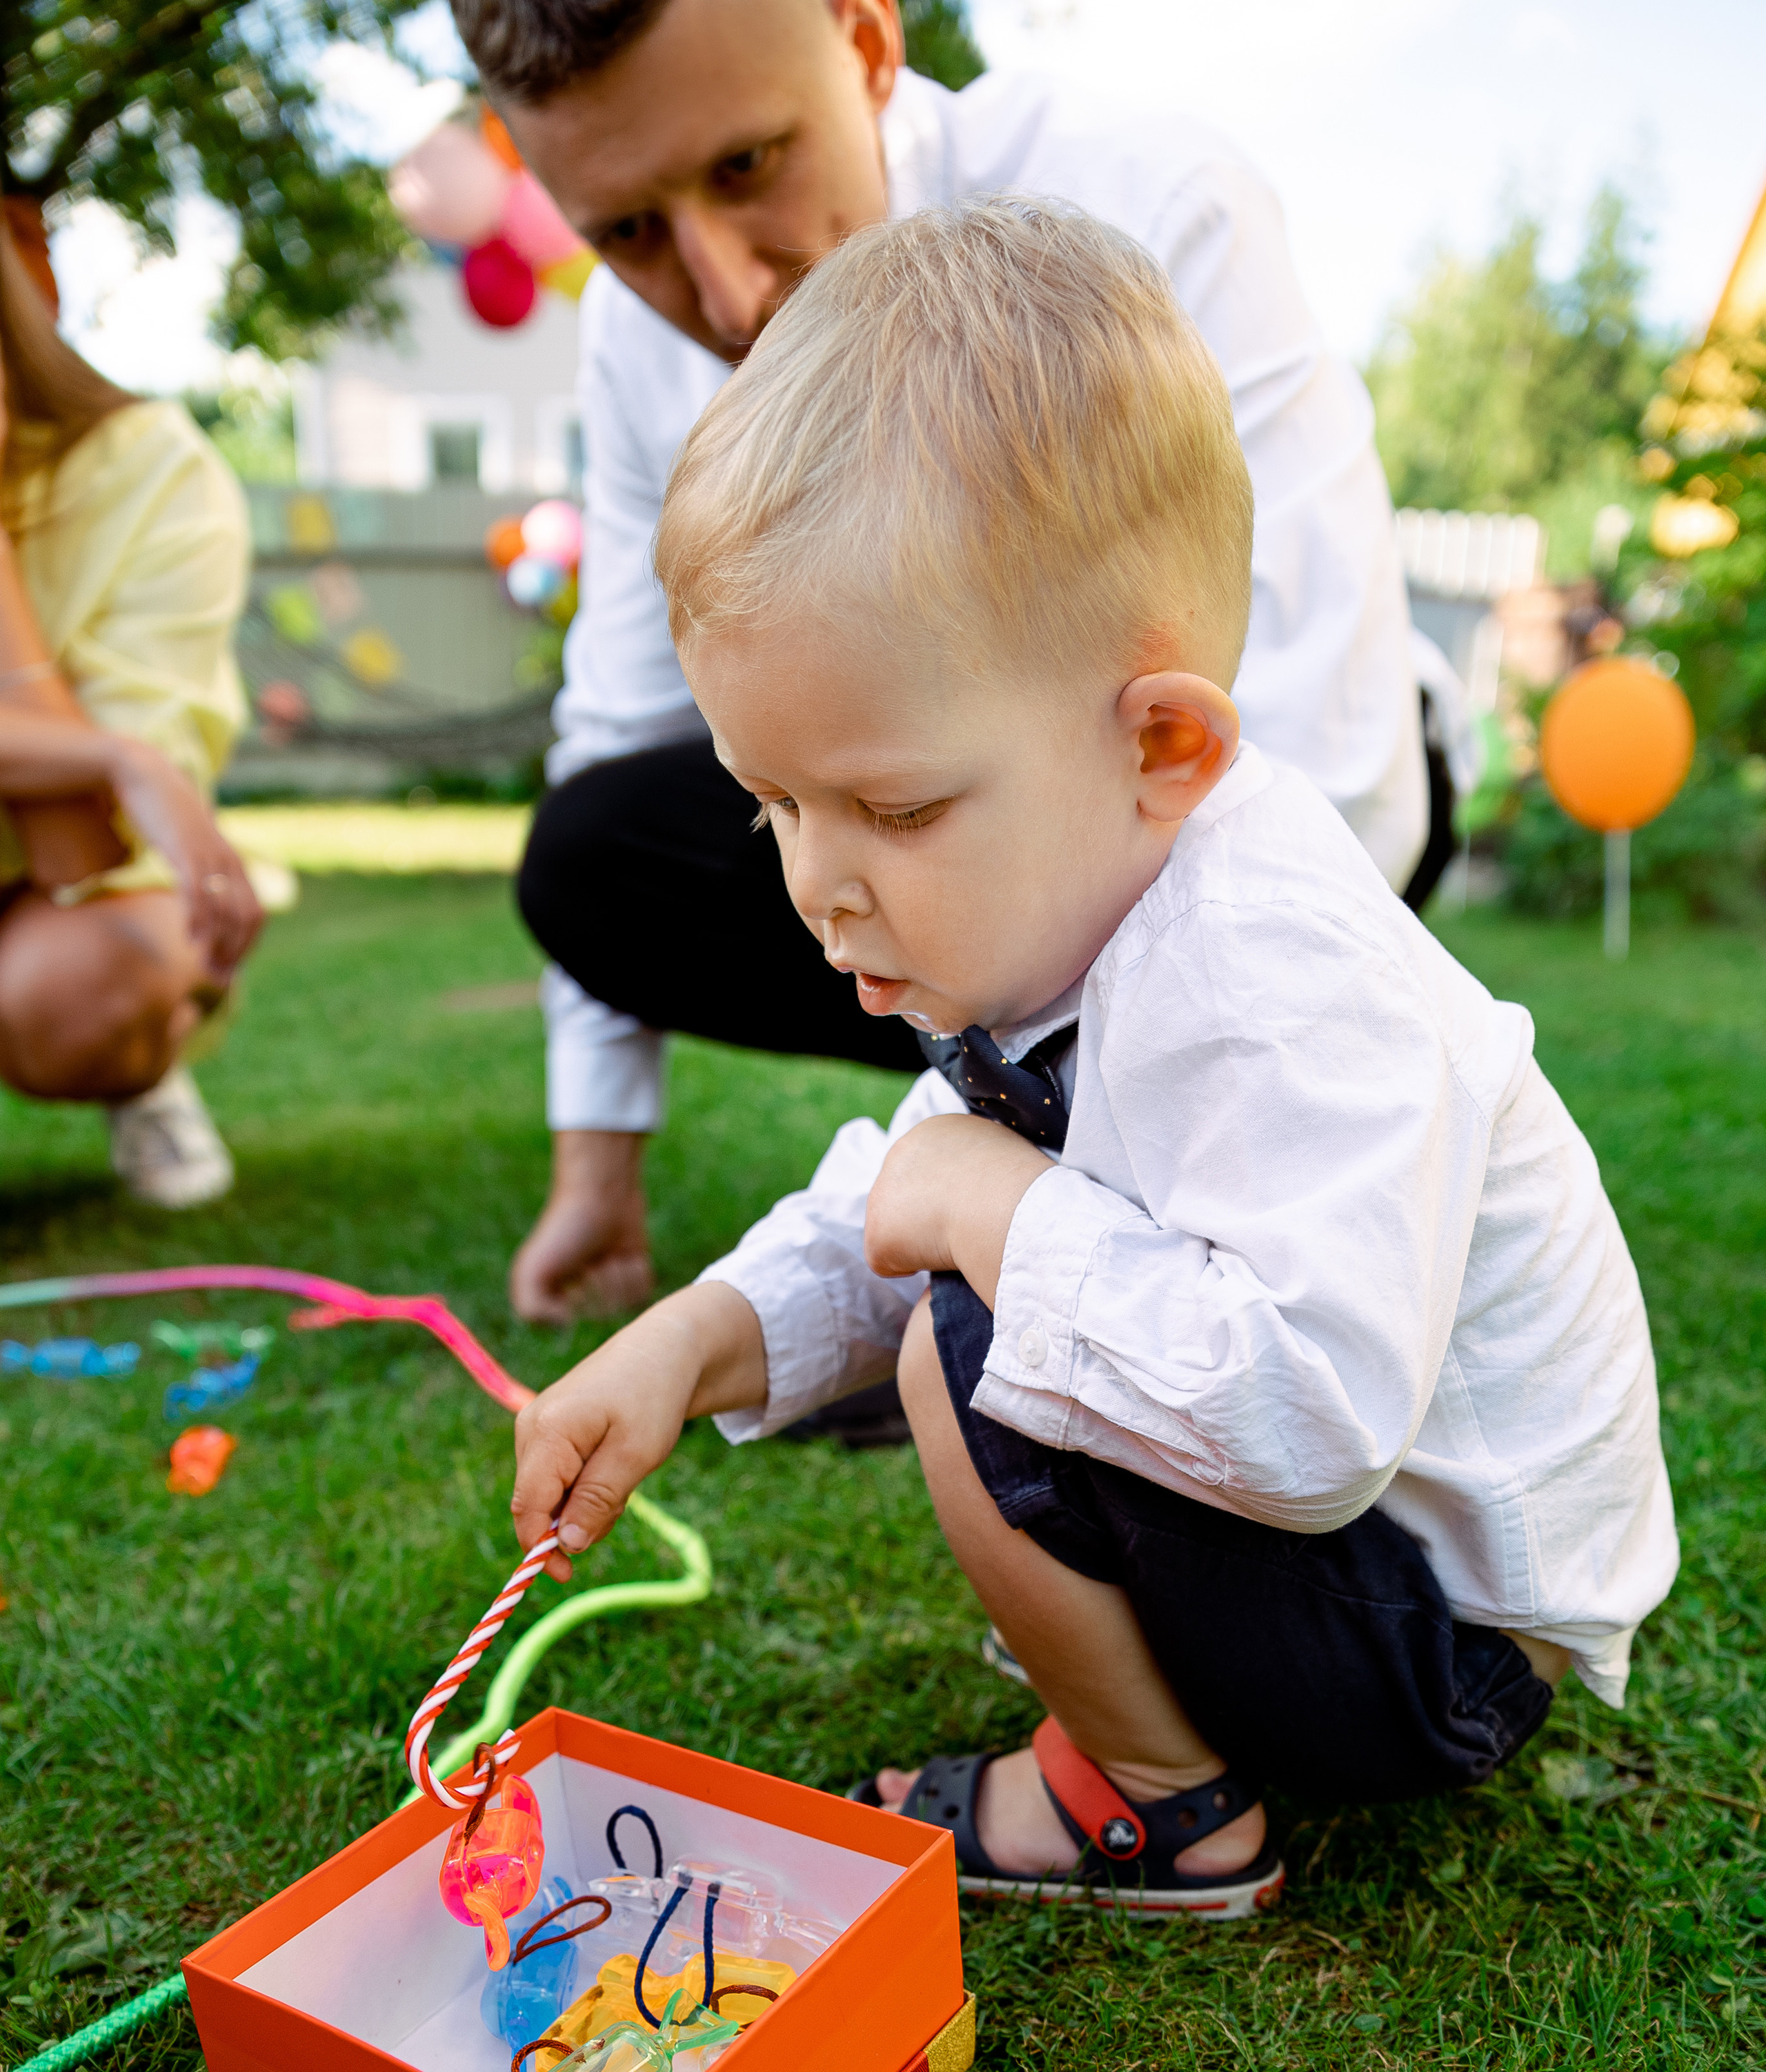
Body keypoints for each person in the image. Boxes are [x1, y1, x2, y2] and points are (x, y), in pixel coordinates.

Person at [508, 200, 1677, 1914]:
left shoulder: (1281, 984)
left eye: (892, 807)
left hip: (1446, 1647)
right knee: (967, 1246)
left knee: (966, 1335)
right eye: (772, 803)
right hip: (1356, 1588)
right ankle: (1171, 1688)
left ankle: (1155, 1801)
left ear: (1163, 745)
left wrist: (996, 1216)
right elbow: (894, 1187)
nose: (814, 880)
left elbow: (1310, 1418)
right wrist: (693, 1344)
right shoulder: (1089, 904)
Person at [453, 0, 1432, 1324]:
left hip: (1279, 813)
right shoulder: (636, 350)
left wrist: (1090, 1187)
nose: (730, 293)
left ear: (864, 40)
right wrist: (596, 1167)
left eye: (748, 166)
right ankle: (999, 1097)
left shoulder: (1156, 195)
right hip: (1016, 871)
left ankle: (1068, 1168)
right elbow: (625, 723)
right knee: (593, 850)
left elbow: (1340, 743)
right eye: (628, 233)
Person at [0, 222, 267, 1207]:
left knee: (74, 991)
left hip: (57, 892)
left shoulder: (152, 475)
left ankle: (146, 1064)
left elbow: (78, 855)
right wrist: (103, 753)